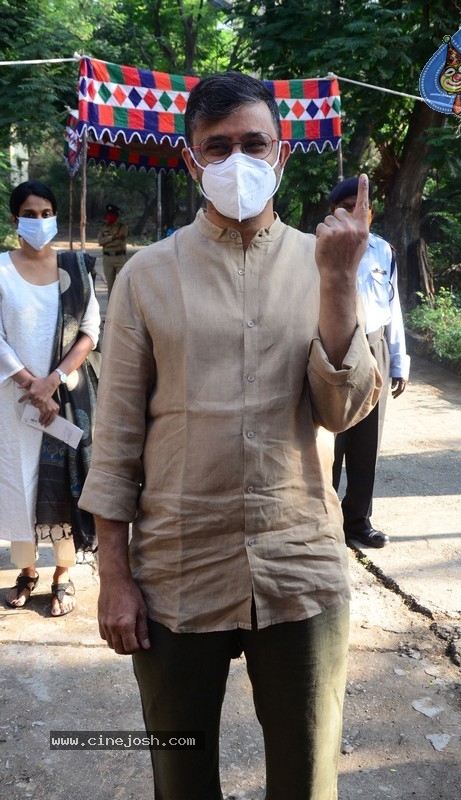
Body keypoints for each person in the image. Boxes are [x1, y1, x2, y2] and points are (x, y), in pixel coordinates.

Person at [79, 71, 381, 800]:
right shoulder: (147, 277)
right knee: (181, 778)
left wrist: (338, 282)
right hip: (177, 569)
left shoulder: (327, 262)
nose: (237, 161)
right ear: (192, 161)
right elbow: (114, 438)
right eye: (218, 147)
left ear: (282, 155)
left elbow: (343, 412)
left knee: (307, 780)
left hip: (298, 566)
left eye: (254, 144)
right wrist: (115, 577)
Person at [0, 180, 100, 616]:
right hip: (14, 401)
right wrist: (31, 384)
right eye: (29, 214)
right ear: (14, 220)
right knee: (18, 483)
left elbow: (90, 331)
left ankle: (62, 574)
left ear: (55, 217)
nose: (39, 221)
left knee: (65, 484)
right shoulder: (1, 269)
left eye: (46, 214)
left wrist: (53, 380)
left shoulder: (75, 268)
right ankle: (26, 570)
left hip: (66, 397)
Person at [329, 177, 410, 549]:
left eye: (360, 207)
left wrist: (399, 362)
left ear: (371, 213)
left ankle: (358, 520)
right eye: (345, 207)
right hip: (332, 346)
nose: (353, 213)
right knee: (329, 439)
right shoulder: (313, 248)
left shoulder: (383, 251)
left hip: (374, 345)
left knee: (367, 440)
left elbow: (393, 307)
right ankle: (324, 520)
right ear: (332, 212)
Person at [97, 203, 128, 297]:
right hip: (107, 258)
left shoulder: (122, 226)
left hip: (120, 257)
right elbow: (100, 241)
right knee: (110, 286)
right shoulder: (104, 226)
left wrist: (107, 240)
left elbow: (121, 238)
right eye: (108, 214)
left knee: (124, 283)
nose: (110, 217)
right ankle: (111, 305)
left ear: (116, 215)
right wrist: (113, 237)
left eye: (112, 215)